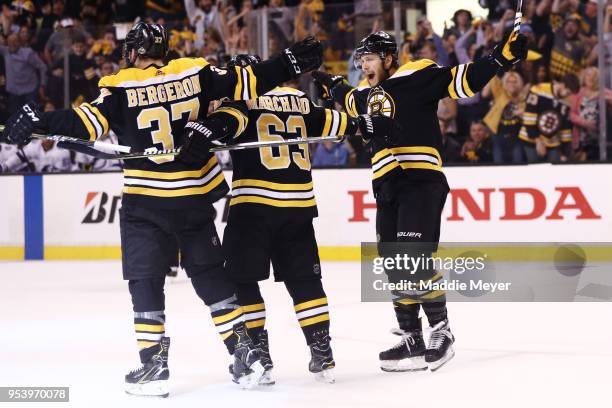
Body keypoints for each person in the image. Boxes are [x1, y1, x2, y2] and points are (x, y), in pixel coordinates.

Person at [1, 22, 323, 397]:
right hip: (193, 197)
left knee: (146, 280)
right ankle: (247, 353)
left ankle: (154, 364)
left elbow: (84, 125)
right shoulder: (194, 71)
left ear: (135, 52)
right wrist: (287, 64)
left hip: (147, 203)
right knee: (210, 276)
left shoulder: (121, 85)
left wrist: (40, 121)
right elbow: (249, 80)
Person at [312, 29, 527, 372]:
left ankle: (441, 330)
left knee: (414, 256)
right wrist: (332, 83)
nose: (364, 65)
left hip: (420, 180)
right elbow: (349, 98)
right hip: (385, 184)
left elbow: (464, 80)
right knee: (394, 264)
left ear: (388, 58)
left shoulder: (418, 74)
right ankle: (412, 336)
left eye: (369, 59)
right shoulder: (365, 94)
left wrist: (499, 58)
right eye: (360, 60)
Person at [194, 55, 374, 385]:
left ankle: (259, 356)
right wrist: (363, 121)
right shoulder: (299, 100)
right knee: (305, 281)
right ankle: (323, 353)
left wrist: (192, 133)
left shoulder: (241, 102)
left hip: (254, 208)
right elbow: (340, 124)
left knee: (241, 280)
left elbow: (215, 130)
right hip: (299, 207)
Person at [519, 73, 578, 163]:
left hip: (552, 142)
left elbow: (565, 127)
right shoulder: (538, 90)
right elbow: (529, 118)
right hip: (530, 139)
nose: (567, 95)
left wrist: (565, 152)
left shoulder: (567, 101)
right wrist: (538, 141)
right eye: (568, 92)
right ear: (562, 85)